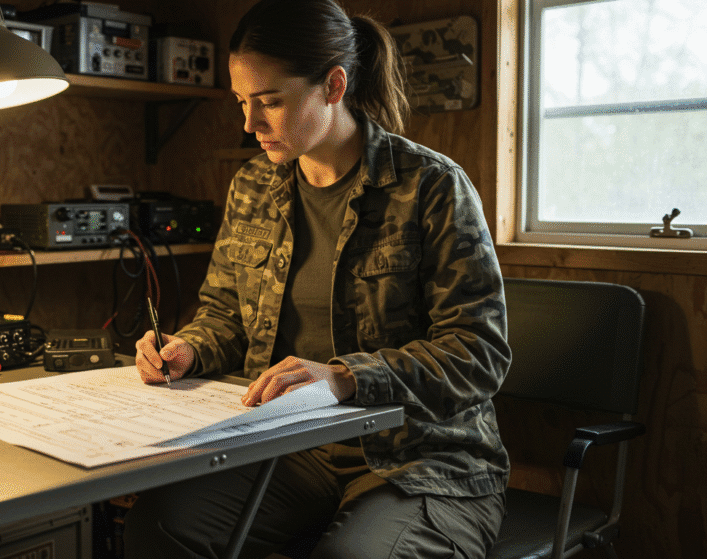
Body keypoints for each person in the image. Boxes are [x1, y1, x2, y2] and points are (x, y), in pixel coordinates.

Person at [125, 0, 510, 557]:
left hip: (425, 460)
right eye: (242, 103)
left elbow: (479, 353)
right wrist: (188, 347)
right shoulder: (252, 186)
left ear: (333, 86)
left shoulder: (431, 186)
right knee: (159, 526)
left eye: (270, 102)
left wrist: (342, 378)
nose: (249, 124)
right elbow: (225, 313)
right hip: (286, 449)